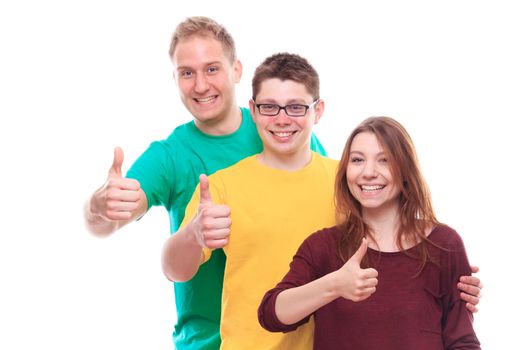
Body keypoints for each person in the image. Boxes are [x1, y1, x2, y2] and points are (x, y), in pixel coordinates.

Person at [162, 55, 481, 349]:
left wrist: (452, 284)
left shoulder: (345, 183)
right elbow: (176, 271)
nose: (283, 119)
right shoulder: (222, 187)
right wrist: (193, 234)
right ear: (254, 110)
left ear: (318, 110)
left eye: (296, 107)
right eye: (270, 106)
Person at [83, 17, 326, 350]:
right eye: (187, 72)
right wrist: (99, 207)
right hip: (210, 342)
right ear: (175, 78)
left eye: (211, 69)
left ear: (236, 70)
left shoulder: (282, 127)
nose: (200, 85)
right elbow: (109, 221)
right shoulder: (169, 157)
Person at [258, 116, 481, 349]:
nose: (368, 172)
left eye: (384, 160)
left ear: (405, 170)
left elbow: (463, 340)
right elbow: (270, 315)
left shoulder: (444, 244)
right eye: (357, 160)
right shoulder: (322, 246)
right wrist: (334, 285)